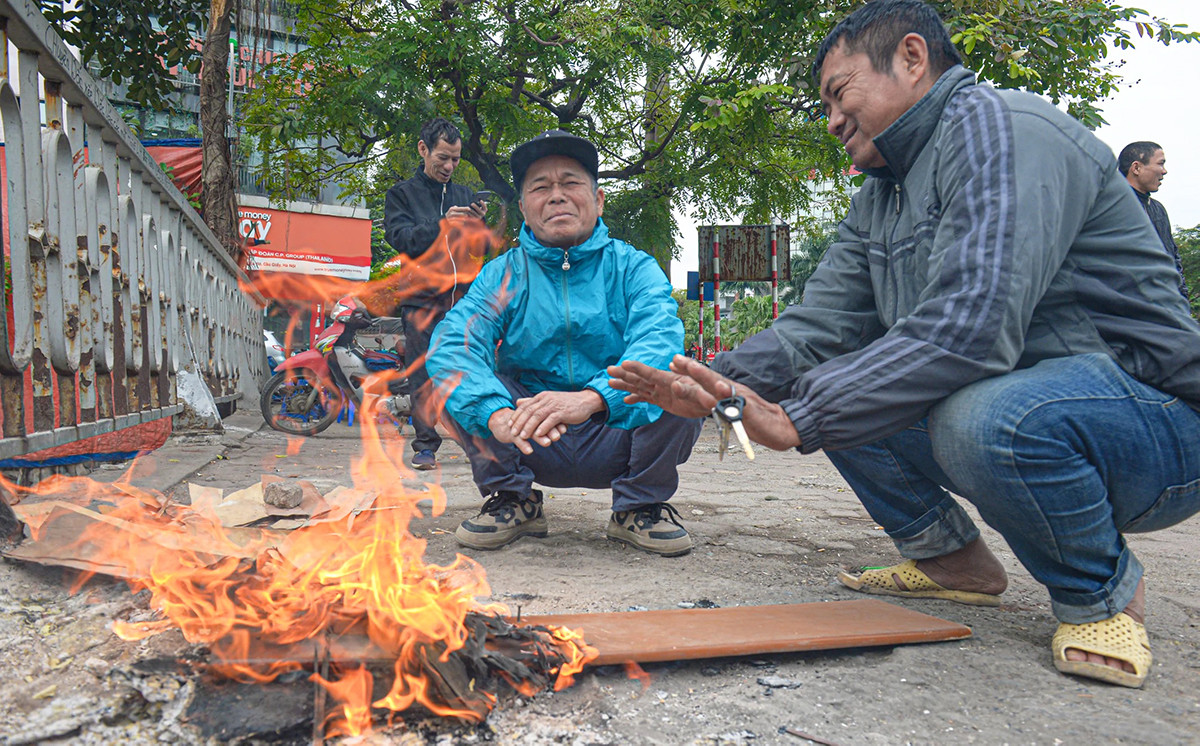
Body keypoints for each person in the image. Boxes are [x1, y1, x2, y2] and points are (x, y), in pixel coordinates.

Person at [610, 0, 1200, 688]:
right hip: (1030, 407)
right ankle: (951, 560)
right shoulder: (880, 195)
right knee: (839, 382)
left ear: (913, 58)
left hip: (1154, 427)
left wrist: (797, 418)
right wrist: (712, 383)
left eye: (839, 93)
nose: (830, 119)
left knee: (972, 414)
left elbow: (970, 328)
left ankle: (1100, 589)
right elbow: (816, 329)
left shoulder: (1006, 130)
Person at [426, 130, 703, 557]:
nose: (556, 196)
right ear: (523, 207)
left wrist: (594, 397)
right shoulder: (503, 273)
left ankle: (639, 505)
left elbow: (659, 341)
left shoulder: (634, 268)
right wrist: (491, 411)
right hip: (528, 429)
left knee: (684, 381)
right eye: (540, 187)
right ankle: (512, 498)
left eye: (571, 183)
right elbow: (453, 345)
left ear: (599, 200)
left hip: (616, 427)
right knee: (448, 380)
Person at [383, 117, 486, 471]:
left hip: (462, 300)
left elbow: (477, 248)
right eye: (442, 157)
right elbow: (401, 239)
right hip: (421, 299)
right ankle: (425, 445)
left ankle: (477, 437)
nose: (449, 166)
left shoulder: (463, 195)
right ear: (423, 149)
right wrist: (442, 225)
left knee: (469, 369)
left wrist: (477, 224)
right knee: (423, 373)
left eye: (455, 159)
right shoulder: (401, 194)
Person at [1118, 141, 1189, 299]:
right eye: (1160, 164)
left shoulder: (1158, 209)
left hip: (1164, 306)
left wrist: (1182, 299)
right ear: (1136, 168)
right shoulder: (1110, 206)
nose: (1164, 171)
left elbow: (1173, 257)